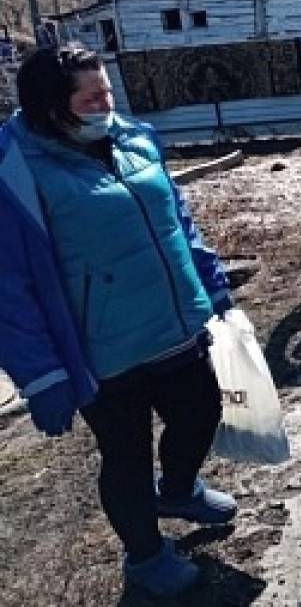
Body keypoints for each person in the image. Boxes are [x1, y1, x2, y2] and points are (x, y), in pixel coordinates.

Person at [0, 45, 239, 598]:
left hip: (177, 326)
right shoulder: (16, 175)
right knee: (126, 456)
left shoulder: (133, 137)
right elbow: (8, 286)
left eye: (107, 91)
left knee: (202, 412)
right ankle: (146, 556)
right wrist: (42, 376)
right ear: (50, 107)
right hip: (104, 355)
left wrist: (211, 278)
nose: (106, 104)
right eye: (91, 97)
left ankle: (178, 489)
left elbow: (177, 216)